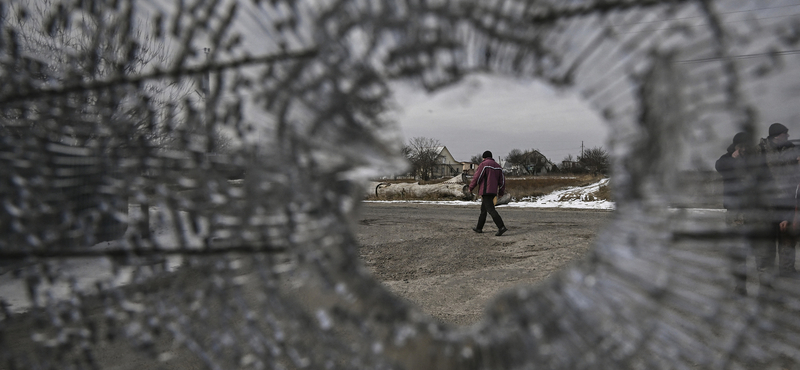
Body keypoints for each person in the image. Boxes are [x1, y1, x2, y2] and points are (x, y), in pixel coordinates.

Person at [715, 132, 765, 295]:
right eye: (740, 146)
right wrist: (734, 157)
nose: (744, 149)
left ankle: (765, 285)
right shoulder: (726, 159)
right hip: (735, 211)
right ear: (735, 146)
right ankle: (740, 286)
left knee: (760, 248)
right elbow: (719, 167)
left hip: (754, 210)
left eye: (746, 146)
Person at [758, 123, 799, 279]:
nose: (788, 136)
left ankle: (787, 271)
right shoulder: (759, 150)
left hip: (787, 201)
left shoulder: (792, 150)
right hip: (766, 204)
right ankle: (766, 273)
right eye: (785, 134)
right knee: (767, 241)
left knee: (787, 239)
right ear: (776, 136)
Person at [469, 151, 508, 236]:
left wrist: (471, 187)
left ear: (484, 157)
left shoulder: (484, 165)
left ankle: (501, 227)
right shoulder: (498, 167)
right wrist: (501, 192)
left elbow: (477, 177)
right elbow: (502, 182)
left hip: (486, 190)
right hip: (493, 191)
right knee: (483, 210)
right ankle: (479, 228)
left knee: (490, 209)